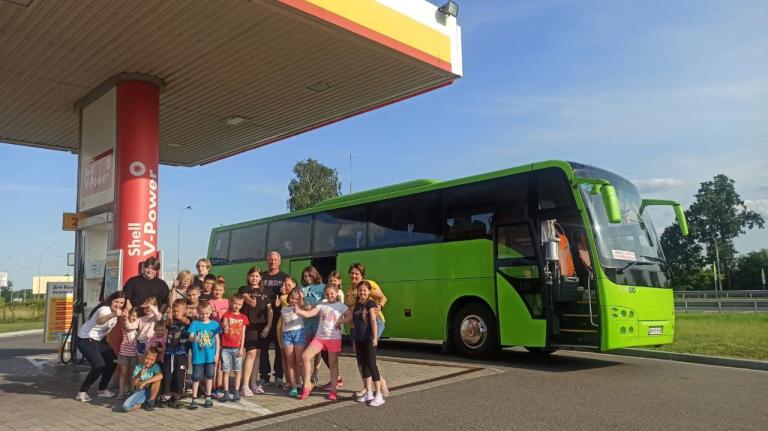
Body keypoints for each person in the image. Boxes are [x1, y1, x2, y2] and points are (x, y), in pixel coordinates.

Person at [295, 284, 351, 401]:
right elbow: (311, 314)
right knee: (305, 357)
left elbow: (350, 316)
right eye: (327, 294)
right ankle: (306, 386)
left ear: (336, 294)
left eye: (332, 293)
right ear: (324, 294)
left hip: (334, 339)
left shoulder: (341, 306)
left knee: (333, 364)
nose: (330, 296)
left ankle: (333, 391)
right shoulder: (322, 304)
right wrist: (299, 311)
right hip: (319, 338)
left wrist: (340, 322)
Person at [346, 263, 389, 397]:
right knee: (360, 359)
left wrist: (379, 307)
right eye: (352, 273)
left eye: (357, 274)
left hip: (373, 323)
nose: (354, 275)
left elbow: (383, 297)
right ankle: (367, 387)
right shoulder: (349, 290)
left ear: (362, 275)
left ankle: (381, 384)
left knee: (369, 356)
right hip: (357, 326)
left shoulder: (368, 284)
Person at [75, 291, 125, 402]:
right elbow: (100, 320)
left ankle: (102, 390)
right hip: (85, 339)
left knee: (112, 361)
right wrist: (113, 314)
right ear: (111, 301)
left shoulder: (117, 312)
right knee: (99, 365)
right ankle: (82, 392)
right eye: (116, 301)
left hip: (99, 340)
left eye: (121, 303)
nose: (118, 305)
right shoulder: (105, 310)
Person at [238, 267, 273, 396]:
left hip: (262, 327)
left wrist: (268, 326)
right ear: (248, 277)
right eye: (252, 275)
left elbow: (270, 311)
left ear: (260, 278)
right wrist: (250, 300)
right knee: (251, 353)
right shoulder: (244, 289)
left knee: (258, 354)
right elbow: (245, 297)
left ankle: (253, 383)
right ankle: (244, 385)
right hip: (249, 326)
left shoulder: (266, 292)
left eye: (257, 276)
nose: (254, 278)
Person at [351, 281, 385, 407]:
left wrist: (375, 338)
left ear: (369, 291)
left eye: (365, 290)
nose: (362, 292)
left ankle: (379, 395)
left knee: (371, 364)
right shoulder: (357, 304)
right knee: (363, 365)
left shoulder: (370, 303)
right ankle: (369, 393)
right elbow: (354, 324)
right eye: (360, 290)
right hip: (359, 339)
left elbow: (373, 321)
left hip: (369, 339)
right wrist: (354, 341)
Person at [259, 251, 288, 387]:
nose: (273, 262)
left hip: (279, 318)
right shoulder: (261, 277)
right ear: (267, 260)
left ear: (280, 261)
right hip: (262, 318)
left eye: (275, 259)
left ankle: (279, 376)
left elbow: (291, 294)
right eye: (270, 259)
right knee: (263, 349)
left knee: (278, 348)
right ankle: (264, 376)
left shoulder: (284, 277)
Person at [187, 301, 221, 409]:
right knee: (196, 377)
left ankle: (208, 397)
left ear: (211, 312)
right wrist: (193, 338)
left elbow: (217, 341)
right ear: (198, 312)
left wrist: (216, 355)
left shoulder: (214, 324)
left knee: (209, 377)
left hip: (210, 357)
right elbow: (190, 336)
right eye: (202, 313)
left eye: (207, 313)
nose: (204, 316)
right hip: (198, 357)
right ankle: (194, 398)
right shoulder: (195, 324)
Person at [218, 294, 249, 402]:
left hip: (237, 348)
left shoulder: (243, 318)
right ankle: (226, 392)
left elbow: (243, 335)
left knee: (237, 371)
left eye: (239, 304)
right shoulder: (226, 315)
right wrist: (225, 327)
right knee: (226, 371)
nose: (237, 306)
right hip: (226, 348)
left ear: (242, 305)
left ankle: (236, 391)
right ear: (231, 303)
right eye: (235, 303)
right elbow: (224, 327)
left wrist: (241, 348)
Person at [160, 299, 190, 408]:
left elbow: (187, 321)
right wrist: (169, 315)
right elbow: (166, 323)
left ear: (184, 311)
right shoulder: (170, 321)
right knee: (168, 374)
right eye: (174, 311)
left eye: (178, 311)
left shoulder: (187, 320)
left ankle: (177, 396)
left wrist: (180, 317)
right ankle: (166, 394)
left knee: (179, 375)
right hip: (169, 353)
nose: (175, 313)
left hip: (181, 354)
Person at [300, 266, 325, 386]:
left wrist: (315, 307)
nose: (307, 278)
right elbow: (299, 301)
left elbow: (325, 301)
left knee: (317, 350)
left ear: (315, 275)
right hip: (305, 321)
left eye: (310, 275)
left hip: (318, 321)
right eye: (305, 276)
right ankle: (306, 377)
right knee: (304, 349)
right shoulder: (301, 288)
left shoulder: (322, 287)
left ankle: (315, 373)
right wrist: (304, 306)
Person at [280, 286, 305, 398]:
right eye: (291, 298)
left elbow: (303, 305)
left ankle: (304, 384)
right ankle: (293, 386)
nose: (293, 300)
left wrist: (301, 299)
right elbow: (283, 324)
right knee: (290, 361)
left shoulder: (300, 307)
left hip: (298, 334)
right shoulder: (284, 309)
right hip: (287, 336)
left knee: (299, 361)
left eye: (296, 299)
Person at [121, 347, 163, 412]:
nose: (149, 361)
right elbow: (133, 383)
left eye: (152, 360)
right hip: (141, 392)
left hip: (152, 392)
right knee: (125, 407)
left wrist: (145, 382)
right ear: (144, 357)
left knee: (157, 380)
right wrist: (139, 375)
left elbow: (160, 376)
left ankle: (150, 402)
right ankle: (143, 403)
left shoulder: (155, 366)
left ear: (155, 360)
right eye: (147, 358)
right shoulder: (138, 367)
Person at [116, 307, 140, 400]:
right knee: (123, 373)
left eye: (136, 316)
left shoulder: (138, 324)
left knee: (132, 373)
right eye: (132, 315)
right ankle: (121, 392)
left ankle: (132, 390)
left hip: (134, 353)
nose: (134, 318)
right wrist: (125, 318)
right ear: (129, 315)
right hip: (124, 353)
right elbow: (126, 325)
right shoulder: (125, 324)